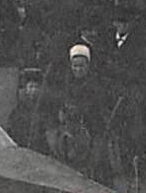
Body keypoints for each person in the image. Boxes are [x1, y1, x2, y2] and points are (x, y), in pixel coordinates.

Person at [44, 44, 108, 180]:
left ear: (88, 66)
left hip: (91, 130)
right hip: (68, 134)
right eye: (75, 66)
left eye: (81, 66)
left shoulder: (95, 85)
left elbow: (98, 113)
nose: (78, 69)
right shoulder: (65, 83)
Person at [104, 6, 146, 184]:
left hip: (134, 95)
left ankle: (141, 169)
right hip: (116, 95)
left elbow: (143, 70)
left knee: (138, 132)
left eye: (126, 23)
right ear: (114, 23)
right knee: (121, 132)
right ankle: (125, 166)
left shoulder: (139, 43)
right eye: (119, 23)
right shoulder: (109, 42)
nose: (122, 26)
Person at [6, 69, 49, 153]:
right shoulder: (18, 111)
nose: (33, 90)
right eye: (31, 87)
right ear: (26, 89)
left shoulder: (44, 110)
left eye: (36, 87)